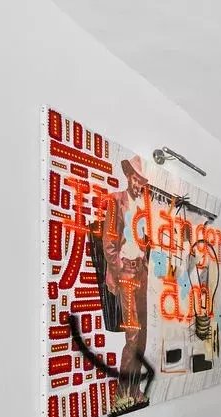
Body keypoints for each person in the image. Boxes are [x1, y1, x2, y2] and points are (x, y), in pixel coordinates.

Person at [100, 155, 152, 402]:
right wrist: (118, 271)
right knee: (132, 336)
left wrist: (146, 263)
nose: (138, 184)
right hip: (127, 274)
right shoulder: (117, 201)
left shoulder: (143, 208)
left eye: (142, 181)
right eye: (135, 179)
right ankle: (122, 392)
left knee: (142, 337)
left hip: (141, 272)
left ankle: (134, 390)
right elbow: (109, 243)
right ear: (128, 177)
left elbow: (146, 240)